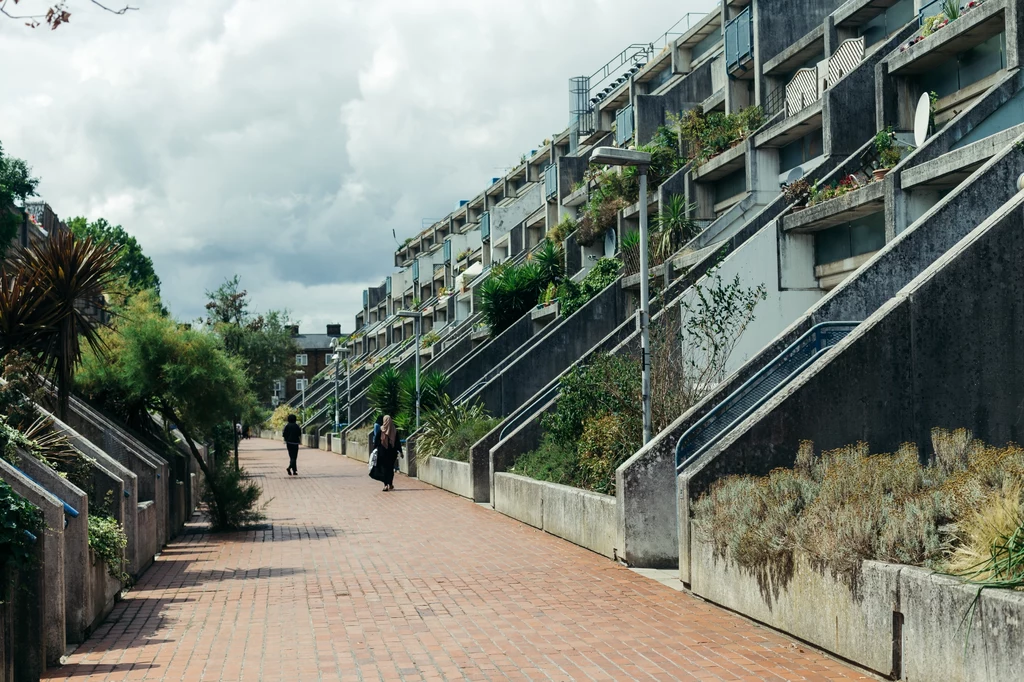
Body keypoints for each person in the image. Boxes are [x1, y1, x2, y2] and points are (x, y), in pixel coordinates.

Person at [370, 414, 401, 491]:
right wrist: (400, 451)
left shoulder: (381, 430)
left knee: (384, 468)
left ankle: (386, 485)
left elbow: (376, 441)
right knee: (390, 469)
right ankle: (389, 484)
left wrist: (374, 450)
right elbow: (397, 442)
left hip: (382, 452)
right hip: (391, 453)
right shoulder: (394, 430)